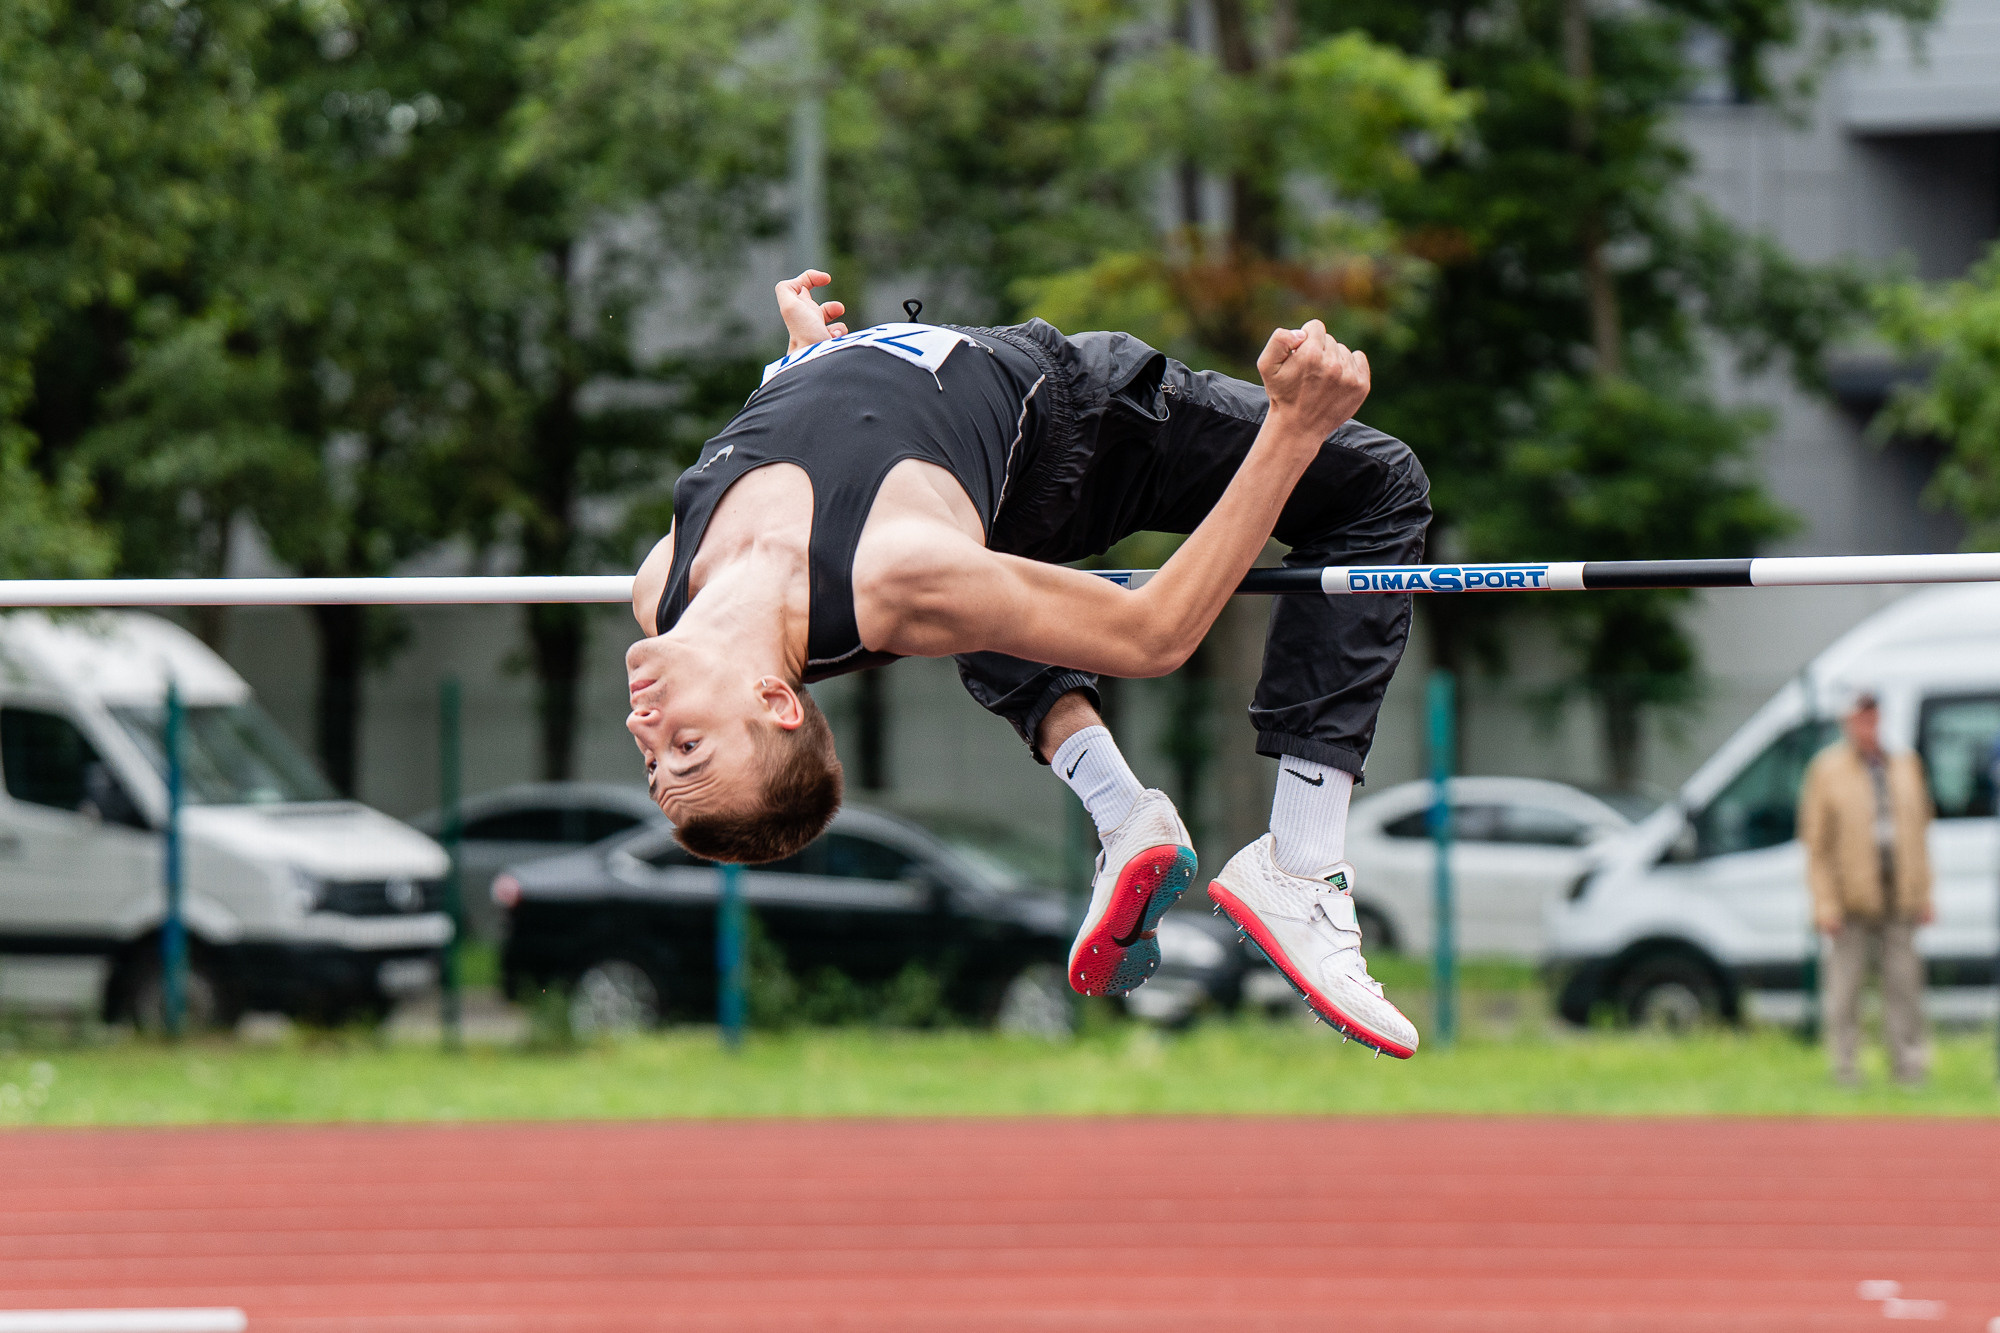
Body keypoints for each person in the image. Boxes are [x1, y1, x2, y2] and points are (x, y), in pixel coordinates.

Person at [626, 271, 1430, 1056]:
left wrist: (804, 359)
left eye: (655, 759)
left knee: (962, 595)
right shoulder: (895, 576)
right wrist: (1291, 430)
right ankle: (1301, 861)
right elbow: (1153, 635)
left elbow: (802, 438)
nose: (647, 727)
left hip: (944, 465)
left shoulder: (662, 586)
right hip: (1075, 423)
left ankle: (1122, 813)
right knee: (1377, 484)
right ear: (776, 702)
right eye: (687, 748)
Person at [1797, 691, 1935, 1087]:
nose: (1868, 725)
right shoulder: (1827, 770)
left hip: (1899, 896)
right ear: (1847, 722)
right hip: (1850, 899)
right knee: (1845, 991)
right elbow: (1815, 844)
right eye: (1860, 718)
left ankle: (1909, 1068)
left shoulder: (1904, 765)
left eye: (1873, 717)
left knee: (1904, 987)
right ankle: (1845, 1069)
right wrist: (1824, 902)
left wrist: (1925, 893)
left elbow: (1922, 832)